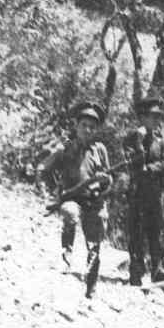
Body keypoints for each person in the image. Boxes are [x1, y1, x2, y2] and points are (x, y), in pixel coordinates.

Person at [36, 101, 112, 299]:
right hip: (72, 198)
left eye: (92, 127)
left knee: (95, 243)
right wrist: (49, 194)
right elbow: (43, 169)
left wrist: (103, 184)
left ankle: (91, 286)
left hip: (94, 201)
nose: (88, 129)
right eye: (84, 125)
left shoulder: (100, 150)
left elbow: (109, 179)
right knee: (69, 213)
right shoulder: (65, 149)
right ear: (76, 126)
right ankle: (66, 255)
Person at [122, 95, 164, 286]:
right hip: (137, 194)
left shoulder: (161, 142)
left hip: (156, 195)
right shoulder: (131, 140)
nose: (156, 121)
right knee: (136, 233)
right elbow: (131, 163)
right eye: (152, 116)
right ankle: (136, 272)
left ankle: (157, 270)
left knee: (155, 233)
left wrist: (149, 169)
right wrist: (139, 143)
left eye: (159, 117)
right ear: (142, 118)